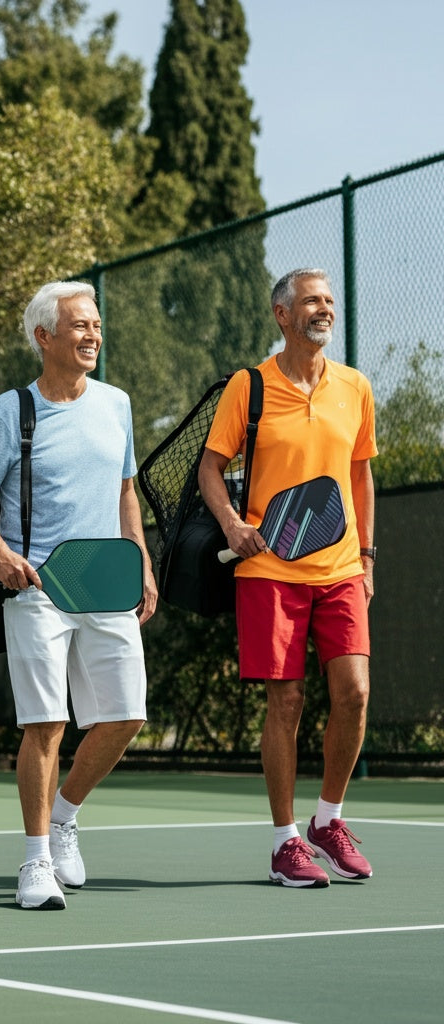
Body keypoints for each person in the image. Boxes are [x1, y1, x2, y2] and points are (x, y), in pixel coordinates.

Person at [0, 281, 158, 910]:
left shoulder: (117, 404)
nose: (93, 335)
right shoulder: (9, 411)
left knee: (126, 717)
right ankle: (35, 859)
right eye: (79, 325)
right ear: (44, 336)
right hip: (38, 587)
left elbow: (128, 490)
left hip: (106, 580)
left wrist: (142, 563)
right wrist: (0, 555)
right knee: (45, 724)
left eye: (97, 324)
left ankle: (66, 813)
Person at [198, 268, 377, 889]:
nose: (323, 309)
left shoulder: (355, 387)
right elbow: (210, 469)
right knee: (288, 700)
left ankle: (329, 820)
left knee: (353, 692)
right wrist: (230, 525)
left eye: (329, 300)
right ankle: (285, 843)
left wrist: (369, 556)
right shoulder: (249, 388)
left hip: (343, 568)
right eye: (311, 301)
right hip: (269, 570)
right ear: (282, 315)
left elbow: (360, 476)